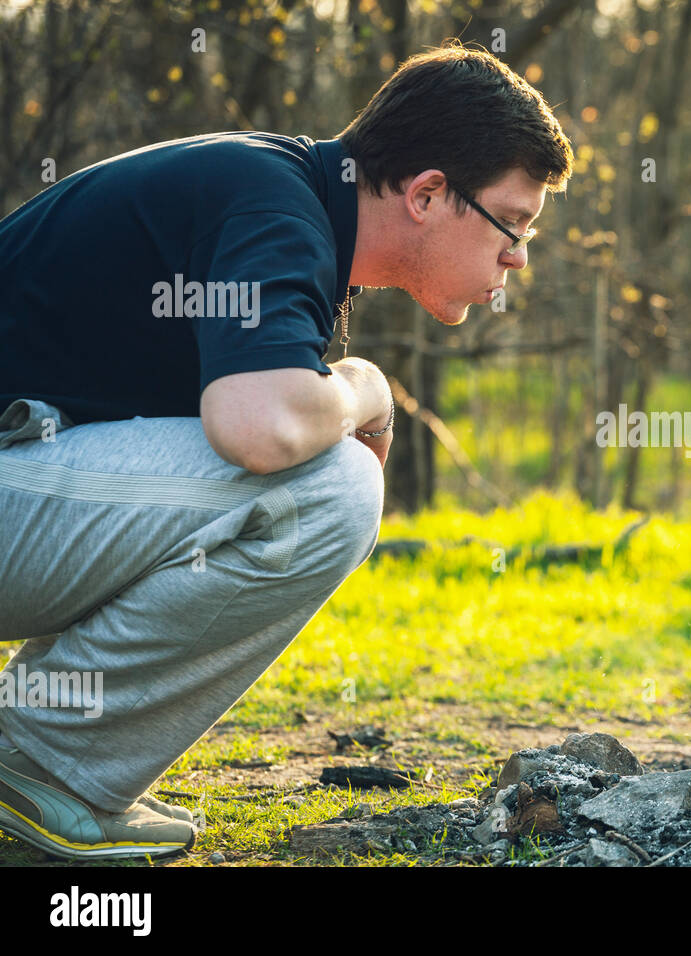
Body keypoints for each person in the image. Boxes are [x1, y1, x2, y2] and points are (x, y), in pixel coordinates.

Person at [0, 44, 573, 861]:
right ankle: (35, 767)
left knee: (314, 469)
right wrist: (368, 388)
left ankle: (37, 750)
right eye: (512, 223)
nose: (517, 256)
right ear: (428, 194)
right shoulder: (275, 207)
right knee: (326, 487)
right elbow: (258, 426)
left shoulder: (280, 197)